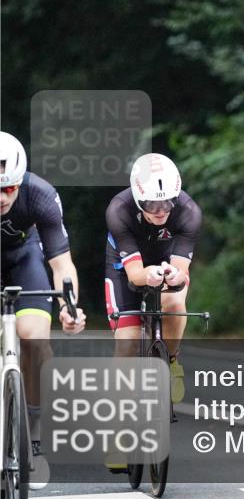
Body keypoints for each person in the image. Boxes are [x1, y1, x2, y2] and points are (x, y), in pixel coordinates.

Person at [0, 131, 87, 460]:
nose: (1, 197)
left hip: (25, 257)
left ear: (20, 182)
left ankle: (33, 423)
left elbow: (62, 264)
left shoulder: (40, 195)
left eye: (8, 188)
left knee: (34, 340)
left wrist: (70, 308)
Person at [104, 153, 201, 404]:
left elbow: (180, 274)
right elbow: (135, 276)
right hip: (125, 265)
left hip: (167, 259)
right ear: (138, 201)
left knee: (175, 304)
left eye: (167, 203)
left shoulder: (189, 211)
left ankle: (171, 360)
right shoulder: (118, 209)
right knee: (127, 343)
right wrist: (147, 274)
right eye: (151, 206)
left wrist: (173, 275)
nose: (160, 212)